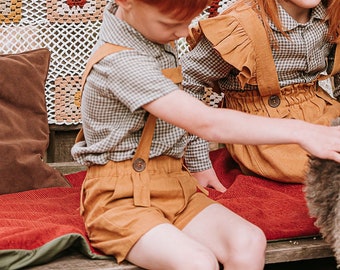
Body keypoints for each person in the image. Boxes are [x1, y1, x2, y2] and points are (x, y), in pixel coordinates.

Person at [71, 0, 340, 269]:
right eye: (171, 23)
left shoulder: (149, 32)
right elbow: (205, 122)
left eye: (187, 21)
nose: (183, 33)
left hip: (175, 186)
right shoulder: (121, 62)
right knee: (197, 262)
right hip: (121, 199)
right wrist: (302, 131)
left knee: (248, 242)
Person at [182, 0, 340, 183]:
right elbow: (189, 81)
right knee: (330, 167)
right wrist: (199, 163)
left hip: (320, 111)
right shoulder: (240, 26)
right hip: (265, 131)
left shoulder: (330, 14)